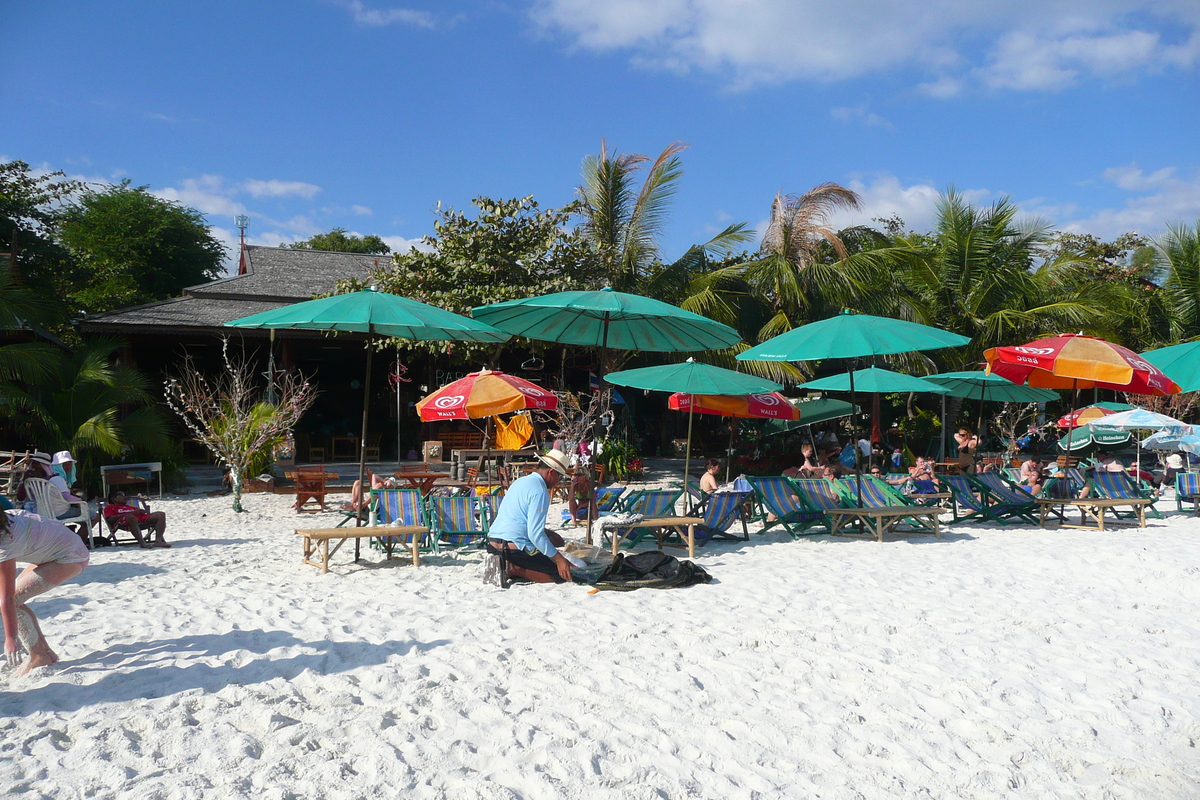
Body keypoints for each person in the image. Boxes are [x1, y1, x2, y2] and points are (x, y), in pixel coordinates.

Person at [0, 510, 89, 675]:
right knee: (15, 599)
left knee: (15, 599)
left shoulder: (5, 542)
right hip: (58, 551)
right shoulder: (6, 517)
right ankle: (44, 652)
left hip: (70, 556)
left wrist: (10, 638)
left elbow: (8, 598)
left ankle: (38, 656)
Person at [485, 449, 572, 584]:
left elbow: (520, 520)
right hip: (512, 549)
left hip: (492, 542)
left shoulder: (521, 481)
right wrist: (559, 559)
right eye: (559, 477)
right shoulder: (540, 491)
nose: (558, 482)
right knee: (562, 574)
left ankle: (509, 565)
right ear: (551, 472)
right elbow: (535, 534)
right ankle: (513, 568)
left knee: (547, 552)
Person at [103, 491, 170, 548]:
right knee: (130, 517)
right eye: (121, 495)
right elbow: (110, 519)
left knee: (161, 514)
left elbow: (140, 513)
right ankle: (142, 543)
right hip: (125, 521)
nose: (125, 497)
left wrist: (141, 511)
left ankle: (158, 541)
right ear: (113, 499)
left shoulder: (130, 507)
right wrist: (132, 513)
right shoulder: (110, 508)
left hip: (140, 518)